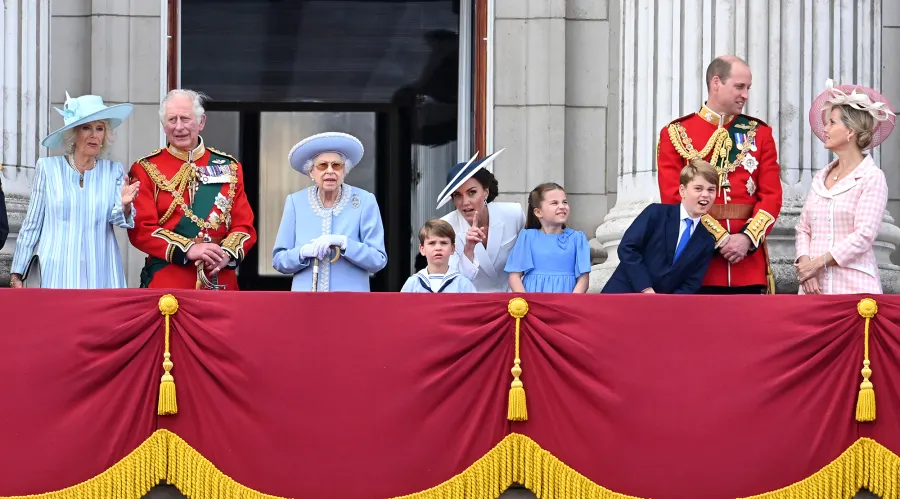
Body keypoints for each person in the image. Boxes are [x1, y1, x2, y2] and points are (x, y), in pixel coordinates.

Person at [657, 55, 783, 294]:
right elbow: (674, 197)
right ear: (716, 83)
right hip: (698, 265)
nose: (745, 95)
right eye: (739, 87)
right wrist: (721, 239)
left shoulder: (760, 133)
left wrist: (746, 238)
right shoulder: (676, 133)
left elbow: (772, 196)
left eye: (748, 88)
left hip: (747, 264)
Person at [128, 89, 257, 290]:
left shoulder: (230, 167)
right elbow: (141, 229)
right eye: (172, 120)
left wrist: (226, 255)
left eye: (185, 119)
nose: (179, 127)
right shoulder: (145, 169)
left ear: (201, 122)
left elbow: (244, 227)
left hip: (219, 278)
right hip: (167, 281)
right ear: (163, 125)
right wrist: (189, 249)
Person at [9, 92, 138, 288]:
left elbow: (119, 219)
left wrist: (125, 205)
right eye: (87, 127)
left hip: (101, 274)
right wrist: (17, 273)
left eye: (100, 128)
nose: (94, 135)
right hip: (56, 274)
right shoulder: (48, 168)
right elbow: (32, 224)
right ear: (73, 132)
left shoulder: (113, 171)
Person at [794, 79, 895, 295]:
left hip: (854, 289)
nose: (826, 129)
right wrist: (806, 267)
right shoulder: (820, 178)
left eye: (832, 123)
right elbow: (803, 228)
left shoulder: (871, 177)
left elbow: (864, 236)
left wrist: (818, 263)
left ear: (851, 131)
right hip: (814, 290)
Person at [273, 132, 387, 291]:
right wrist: (303, 252)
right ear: (311, 172)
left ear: (344, 171)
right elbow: (279, 261)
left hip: (351, 302)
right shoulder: (295, 202)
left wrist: (345, 243)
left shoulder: (364, 201)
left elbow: (378, 260)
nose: (330, 171)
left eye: (336, 165)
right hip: (306, 302)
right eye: (322, 165)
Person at [602, 159, 728, 294]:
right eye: (698, 188)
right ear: (682, 191)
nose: (705, 195)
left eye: (711, 190)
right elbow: (627, 248)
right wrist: (646, 288)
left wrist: (667, 304)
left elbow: (691, 283)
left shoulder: (706, 240)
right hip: (623, 296)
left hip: (661, 310)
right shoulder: (656, 214)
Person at [436, 150, 525, 292]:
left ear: (485, 191)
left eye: (472, 192)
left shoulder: (513, 214)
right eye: (457, 195)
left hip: (513, 302)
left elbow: (528, 259)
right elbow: (453, 282)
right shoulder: (446, 227)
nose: (465, 202)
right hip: (472, 304)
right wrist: (468, 249)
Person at [504, 183, 591, 293]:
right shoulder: (527, 237)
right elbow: (514, 277)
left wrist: (571, 303)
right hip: (533, 302)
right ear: (538, 212)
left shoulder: (578, 239)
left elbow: (583, 279)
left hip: (566, 302)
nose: (562, 206)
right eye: (554, 203)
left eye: (564, 202)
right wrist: (526, 303)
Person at [401, 219, 476, 293]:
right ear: (422, 249)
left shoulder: (463, 284)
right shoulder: (413, 283)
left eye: (443, 243)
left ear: (452, 248)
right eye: (432, 243)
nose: (438, 248)